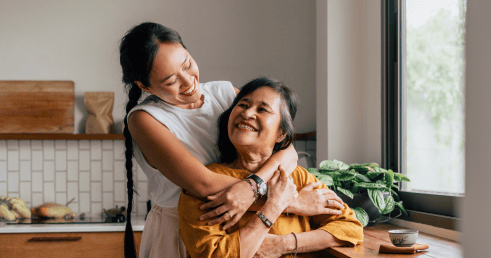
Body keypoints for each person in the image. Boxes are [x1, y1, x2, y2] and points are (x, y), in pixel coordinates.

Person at [119, 22, 345, 258]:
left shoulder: (225, 93)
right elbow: (203, 185)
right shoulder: (144, 119)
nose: (188, 82)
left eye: (187, 65)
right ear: (144, 85)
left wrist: (253, 186)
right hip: (183, 231)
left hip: (239, 223)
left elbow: (287, 151)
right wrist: (290, 203)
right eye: (170, 81)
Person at [178, 77, 364, 258]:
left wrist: (284, 244)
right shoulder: (203, 183)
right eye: (243, 104)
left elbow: (350, 228)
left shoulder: (297, 177)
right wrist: (273, 207)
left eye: (262, 109)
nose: (248, 113)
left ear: (281, 133)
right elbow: (213, 254)